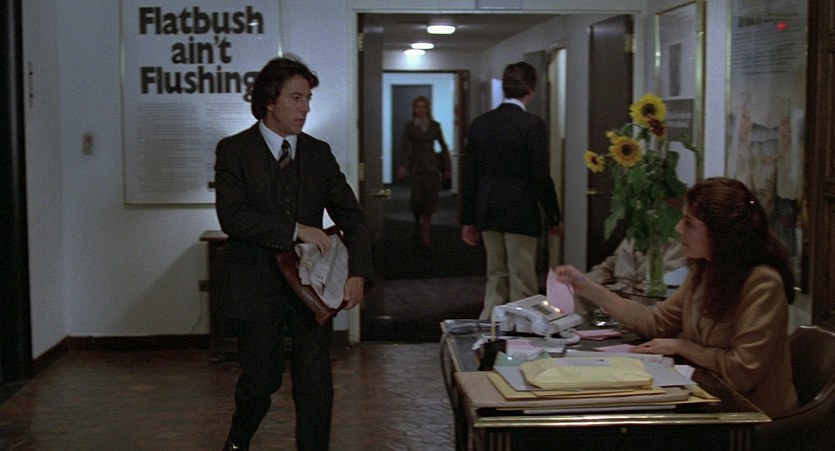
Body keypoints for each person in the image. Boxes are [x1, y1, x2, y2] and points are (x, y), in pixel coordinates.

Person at [214, 55, 373, 451]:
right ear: (270, 101)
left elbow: (353, 218)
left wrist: (358, 272)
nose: (305, 108)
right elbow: (232, 217)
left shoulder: (318, 153)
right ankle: (236, 443)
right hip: (255, 286)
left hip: (311, 288)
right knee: (260, 381)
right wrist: (296, 229)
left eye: (308, 99)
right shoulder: (234, 150)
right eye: (296, 98)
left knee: (315, 383)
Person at [555, 177, 799, 418]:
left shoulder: (762, 283)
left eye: (689, 223)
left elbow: (742, 373)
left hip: (750, 416)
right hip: (707, 399)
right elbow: (655, 321)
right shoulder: (704, 271)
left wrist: (683, 346)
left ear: (719, 233)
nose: (678, 228)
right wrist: (587, 286)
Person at [460, 61, 563, 320]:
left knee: (496, 275)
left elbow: (470, 176)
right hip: (520, 209)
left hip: (488, 207)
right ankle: (520, 333)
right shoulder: (532, 125)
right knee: (521, 278)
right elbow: (540, 176)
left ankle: (489, 329)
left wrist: (468, 219)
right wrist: (553, 215)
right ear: (531, 89)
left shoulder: (481, 124)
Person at [575, 239, 687, 317]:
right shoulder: (634, 236)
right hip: (617, 292)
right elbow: (607, 267)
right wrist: (580, 280)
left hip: (646, 300)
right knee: (575, 292)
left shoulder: (680, 245)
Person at [396, 95, 451, 247]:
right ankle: (417, 225)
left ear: (427, 109)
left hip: (432, 167)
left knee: (430, 201)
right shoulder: (410, 126)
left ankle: (426, 233)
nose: (420, 109)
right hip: (416, 167)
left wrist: (446, 167)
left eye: (423, 107)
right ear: (414, 109)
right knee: (417, 200)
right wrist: (402, 165)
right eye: (417, 107)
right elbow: (404, 146)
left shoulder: (435, 125)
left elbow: (443, 145)